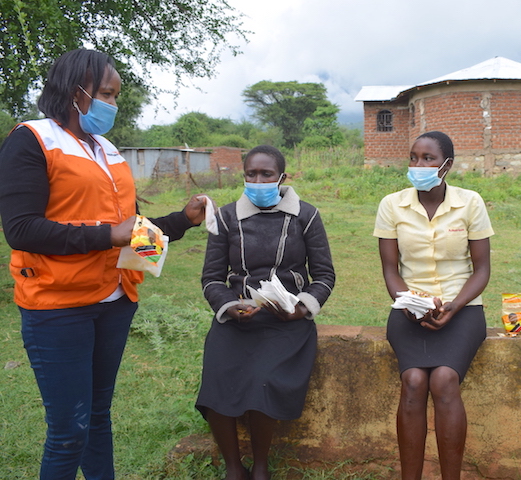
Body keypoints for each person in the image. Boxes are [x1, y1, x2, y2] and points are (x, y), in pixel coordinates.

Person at [0, 49, 206, 480]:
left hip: (115, 301)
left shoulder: (108, 149)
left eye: (116, 95)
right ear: (77, 92)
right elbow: (21, 230)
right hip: (57, 307)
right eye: (107, 94)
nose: (114, 104)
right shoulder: (32, 139)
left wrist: (182, 221)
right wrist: (106, 235)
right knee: (68, 432)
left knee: (97, 418)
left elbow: (127, 227)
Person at [196, 145, 335, 480]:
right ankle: (233, 468)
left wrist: (301, 308)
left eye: (266, 174)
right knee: (215, 385)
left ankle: (260, 467)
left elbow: (325, 275)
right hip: (238, 319)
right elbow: (211, 277)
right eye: (251, 174)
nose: (257, 180)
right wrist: (230, 306)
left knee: (263, 383)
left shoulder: (307, 215)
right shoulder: (225, 218)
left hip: (286, 322)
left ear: (282, 177)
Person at [374, 131, 493, 480]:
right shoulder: (391, 205)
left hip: (463, 308)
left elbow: (482, 269)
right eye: (414, 157)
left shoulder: (470, 202)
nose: (419, 165)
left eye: (428, 158)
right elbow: (389, 270)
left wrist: (453, 306)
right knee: (412, 380)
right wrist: (408, 302)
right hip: (409, 308)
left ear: (447, 166)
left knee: (443, 379)